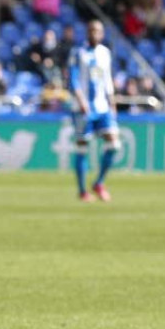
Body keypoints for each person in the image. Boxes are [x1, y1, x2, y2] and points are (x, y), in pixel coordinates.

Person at [68, 20, 118, 202]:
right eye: (92, 30)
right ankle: (82, 191)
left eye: (98, 31)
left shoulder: (105, 53)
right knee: (82, 147)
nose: (95, 34)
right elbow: (72, 79)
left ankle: (99, 182)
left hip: (102, 105)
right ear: (87, 32)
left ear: (102, 34)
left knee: (114, 143)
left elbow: (107, 79)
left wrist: (112, 102)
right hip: (83, 107)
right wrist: (81, 100)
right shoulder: (78, 53)